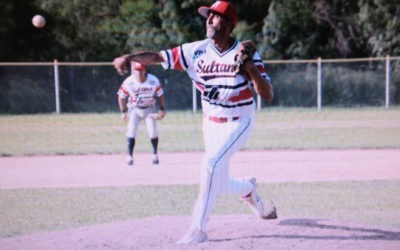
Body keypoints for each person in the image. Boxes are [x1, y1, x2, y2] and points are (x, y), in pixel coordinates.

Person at [113, 0, 276, 244]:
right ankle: (247, 190)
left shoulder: (246, 53)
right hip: (210, 123)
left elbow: (267, 94)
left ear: (229, 24)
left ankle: (198, 230)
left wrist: (250, 67)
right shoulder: (195, 51)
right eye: (208, 15)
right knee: (217, 182)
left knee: (209, 165)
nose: (209, 19)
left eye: (216, 15)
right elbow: (158, 56)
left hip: (239, 120)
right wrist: (130, 56)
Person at [117, 62, 166, 166]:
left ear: (145, 70)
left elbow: (160, 95)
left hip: (150, 109)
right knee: (131, 132)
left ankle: (154, 154)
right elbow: (121, 97)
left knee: (153, 132)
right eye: (137, 70)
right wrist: (123, 111)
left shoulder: (153, 80)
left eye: (141, 70)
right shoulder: (129, 82)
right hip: (134, 109)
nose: (139, 72)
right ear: (133, 71)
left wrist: (161, 109)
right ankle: (129, 156)